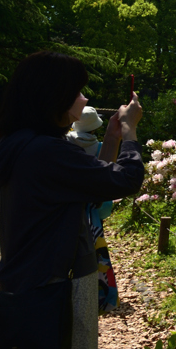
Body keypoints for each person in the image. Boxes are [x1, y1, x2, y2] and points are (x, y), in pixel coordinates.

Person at [0, 52, 144, 349]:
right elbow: (125, 180)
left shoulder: (22, 146)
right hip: (58, 291)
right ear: (52, 96)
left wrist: (110, 139)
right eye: (77, 91)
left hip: (30, 288)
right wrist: (132, 134)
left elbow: (89, 188)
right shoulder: (47, 153)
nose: (85, 99)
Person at [66, 106, 120, 312]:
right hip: (93, 207)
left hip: (70, 203)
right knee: (95, 247)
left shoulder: (66, 142)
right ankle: (99, 292)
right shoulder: (99, 146)